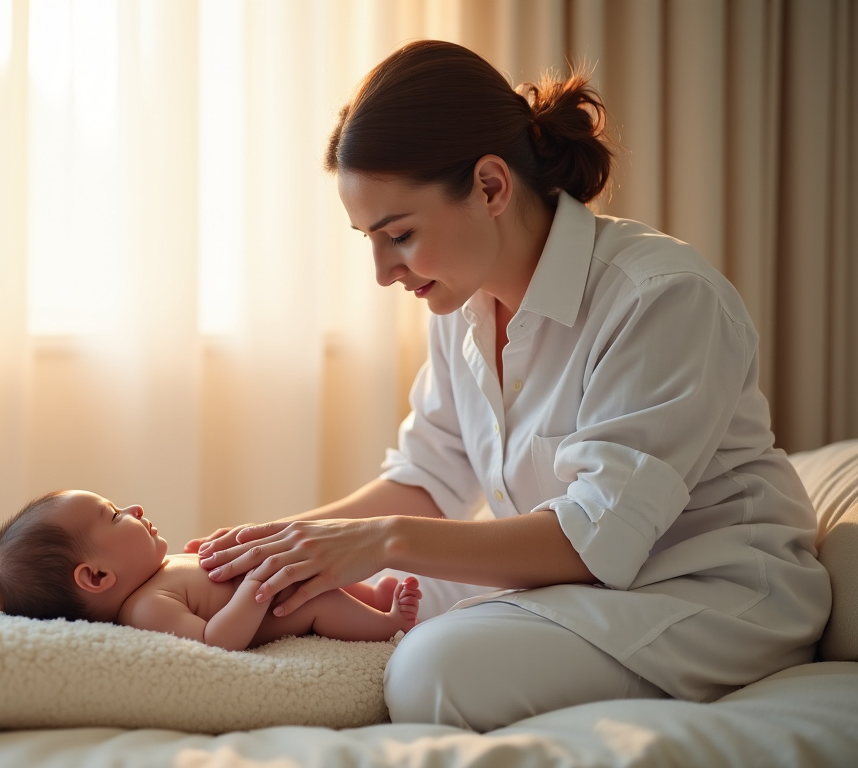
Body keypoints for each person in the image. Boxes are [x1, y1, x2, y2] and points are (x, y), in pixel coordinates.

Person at [187, 40, 831, 731]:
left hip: (706, 599)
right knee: (316, 600)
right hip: (572, 583)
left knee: (432, 669)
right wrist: (273, 543)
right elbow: (429, 482)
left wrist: (377, 539)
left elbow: (591, 541)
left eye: (398, 235)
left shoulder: (662, 298)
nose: (382, 272)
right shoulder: (460, 304)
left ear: (491, 186)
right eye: (368, 239)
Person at [0, 490, 421, 650]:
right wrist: (252, 587)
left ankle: (373, 595)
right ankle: (385, 625)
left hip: (278, 584)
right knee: (320, 602)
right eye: (116, 515)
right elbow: (215, 641)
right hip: (282, 608)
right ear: (97, 577)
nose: (134, 507)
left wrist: (203, 554)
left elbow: (200, 581)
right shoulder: (146, 608)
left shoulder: (156, 573)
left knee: (317, 572)